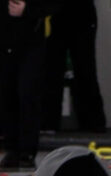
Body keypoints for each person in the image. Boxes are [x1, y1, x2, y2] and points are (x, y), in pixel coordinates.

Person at [0, 0, 60, 170]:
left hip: (30, 37)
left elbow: (55, 4)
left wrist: (30, 10)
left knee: (28, 94)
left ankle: (27, 152)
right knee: (4, 94)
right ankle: (11, 148)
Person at [41, 0, 106, 133]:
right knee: (51, 70)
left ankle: (93, 123)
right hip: (54, 14)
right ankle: (48, 122)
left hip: (82, 13)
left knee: (85, 69)